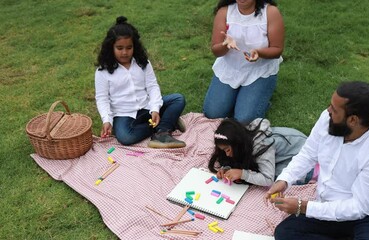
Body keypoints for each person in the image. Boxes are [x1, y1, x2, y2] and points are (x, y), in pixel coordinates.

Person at [265, 81, 369, 239]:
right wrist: (284, 180)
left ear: (353, 120)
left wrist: (304, 207)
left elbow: (360, 207)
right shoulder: (327, 119)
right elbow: (308, 154)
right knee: (285, 233)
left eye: (334, 109)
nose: (328, 111)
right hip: (327, 205)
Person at [95, 16, 186, 148]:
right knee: (126, 137)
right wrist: (107, 120)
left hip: (146, 107)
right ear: (111, 47)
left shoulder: (142, 63)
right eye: (119, 48)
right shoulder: (102, 71)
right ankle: (166, 124)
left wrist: (154, 108)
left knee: (178, 99)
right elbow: (102, 98)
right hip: (124, 114)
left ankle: (161, 131)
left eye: (129, 47)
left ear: (135, 46)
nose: (125, 52)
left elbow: (152, 86)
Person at [203, 0, 285, 124]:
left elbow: (277, 49)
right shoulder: (224, 11)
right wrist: (225, 45)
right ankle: (240, 99)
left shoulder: (270, 12)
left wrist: (259, 53)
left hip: (259, 71)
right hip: (230, 70)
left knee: (244, 120)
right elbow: (216, 50)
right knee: (212, 114)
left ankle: (259, 98)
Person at [208, 118, 314, 187]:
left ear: (237, 144)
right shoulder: (241, 141)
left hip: (302, 155)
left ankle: (314, 173)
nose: (227, 154)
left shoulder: (261, 146)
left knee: (280, 178)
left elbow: (268, 179)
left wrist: (242, 174)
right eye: (224, 151)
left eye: (227, 150)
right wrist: (227, 168)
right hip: (283, 153)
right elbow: (239, 159)